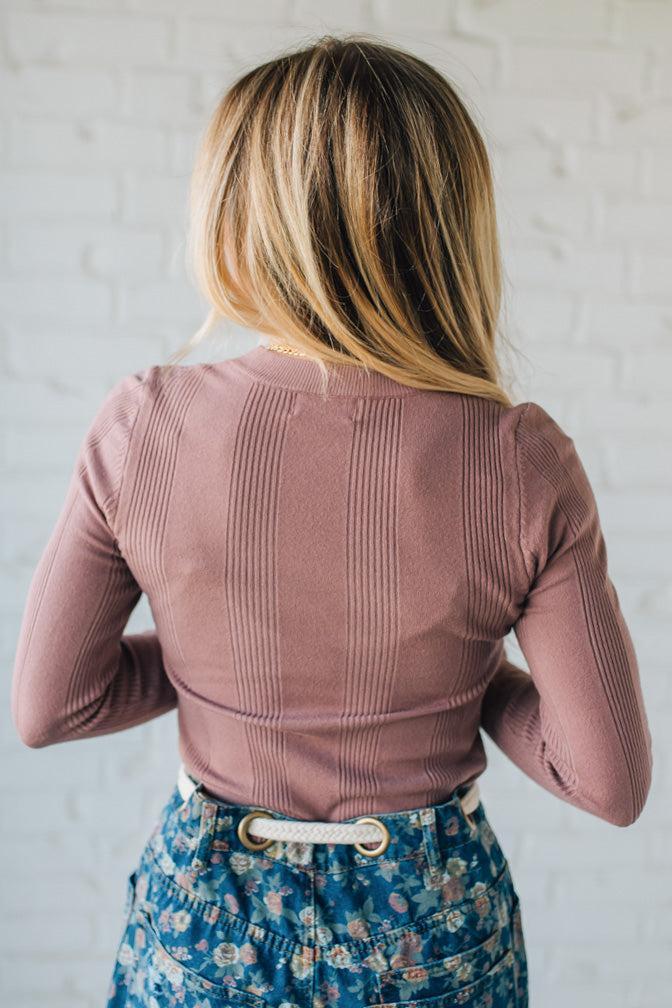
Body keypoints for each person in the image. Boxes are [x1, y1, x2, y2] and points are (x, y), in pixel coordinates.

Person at [11, 33, 652, 1008]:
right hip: (429, 934)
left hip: (208, 927)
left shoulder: (146, 426)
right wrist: (455, 676)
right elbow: (606, 781)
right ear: (449, 224)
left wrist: (215, 671)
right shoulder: (519, 458)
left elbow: (52, 705)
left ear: (237, 219)